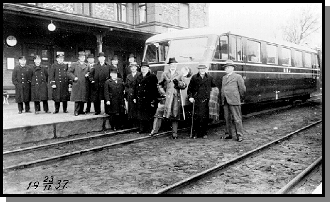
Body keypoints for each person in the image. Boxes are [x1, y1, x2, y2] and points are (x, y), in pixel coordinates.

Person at [156, 57, 187, 139]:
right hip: (167, 97)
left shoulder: (180, 74)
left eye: (174, 64)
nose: (173, 66)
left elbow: (184, 85)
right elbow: (159, 85)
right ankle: (156, 130)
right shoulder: (165, 74)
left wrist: (179, 83)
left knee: (175, 114)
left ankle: (174, 133)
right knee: (164, 113)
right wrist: (163, 93)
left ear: (176, 65)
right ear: (169, 65)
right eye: (171, 64)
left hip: (176, 97)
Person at [187, 63, 216, 139]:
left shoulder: (209, 77)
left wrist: (212, 98)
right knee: (196, 117)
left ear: (205, 69)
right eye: (200, 69)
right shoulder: (194, 77)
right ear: (198, 70)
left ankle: (204, 133)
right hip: (196, 100)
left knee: (204, 117)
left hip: (206, 100)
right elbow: (189, 89)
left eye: (203, 69)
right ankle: (196, 133)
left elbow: (214, 88)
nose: (202, 70)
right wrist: (190, 97)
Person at [220, 60, 246, 142]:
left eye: (228, 67)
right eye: (225, 68)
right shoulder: (224, 77)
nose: (226, 69)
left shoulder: (238, 77)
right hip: (225, 100)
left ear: (232, 68)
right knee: (227, 118)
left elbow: (242, 89)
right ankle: (228, 134)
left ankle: (240, 135)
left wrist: (238, 97)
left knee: (237, 118)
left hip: (234, 100)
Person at [133, 61, 159, 134]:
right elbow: (135, 88)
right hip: (140, 99)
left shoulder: (152, 77)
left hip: (149, 99)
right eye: (142, 68)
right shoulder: (138, 77)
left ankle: (150, 129)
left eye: (145, 68)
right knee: (141, 115)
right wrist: (135, 97)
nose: (143, 69)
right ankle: (142, 129)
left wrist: (154, 99)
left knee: (149, 115)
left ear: (148, 68)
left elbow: (155, 89)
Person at [68, 51, 89, 116]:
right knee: (77, 98)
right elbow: (69, 72)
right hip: (77, 83)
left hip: (84, 83)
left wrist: (88, 74)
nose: (82, 58)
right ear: (79, 57)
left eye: (84, 57)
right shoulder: (74, 64)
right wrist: (74, 78)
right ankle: (76, 111)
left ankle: (81, 110)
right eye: (81, 57)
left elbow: (90, 72)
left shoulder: (87, 65)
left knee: (83, 97)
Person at [104, 66, 126, 130]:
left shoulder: (120, 80)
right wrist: (107, 100)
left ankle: (120, 125)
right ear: (110, 74)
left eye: (115, 74)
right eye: (113, 74)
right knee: (113, 114)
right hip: (112, 100)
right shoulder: (107, 82)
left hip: (120, 99)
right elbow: (106, 92)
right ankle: (114, 126)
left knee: (121, 112)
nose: (114, 75)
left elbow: (123, 89)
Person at [124, 62, 140, 128]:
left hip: (137, 94)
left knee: (137, 108)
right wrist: (127, 91)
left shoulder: (140, 75)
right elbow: (126, 85)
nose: (133, 68)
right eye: (132, 67)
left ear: (136, 68)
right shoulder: (128, 76)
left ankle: (138, 124)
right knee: (131, 108)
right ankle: (132, 124)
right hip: (130, 94)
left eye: (134, 67)